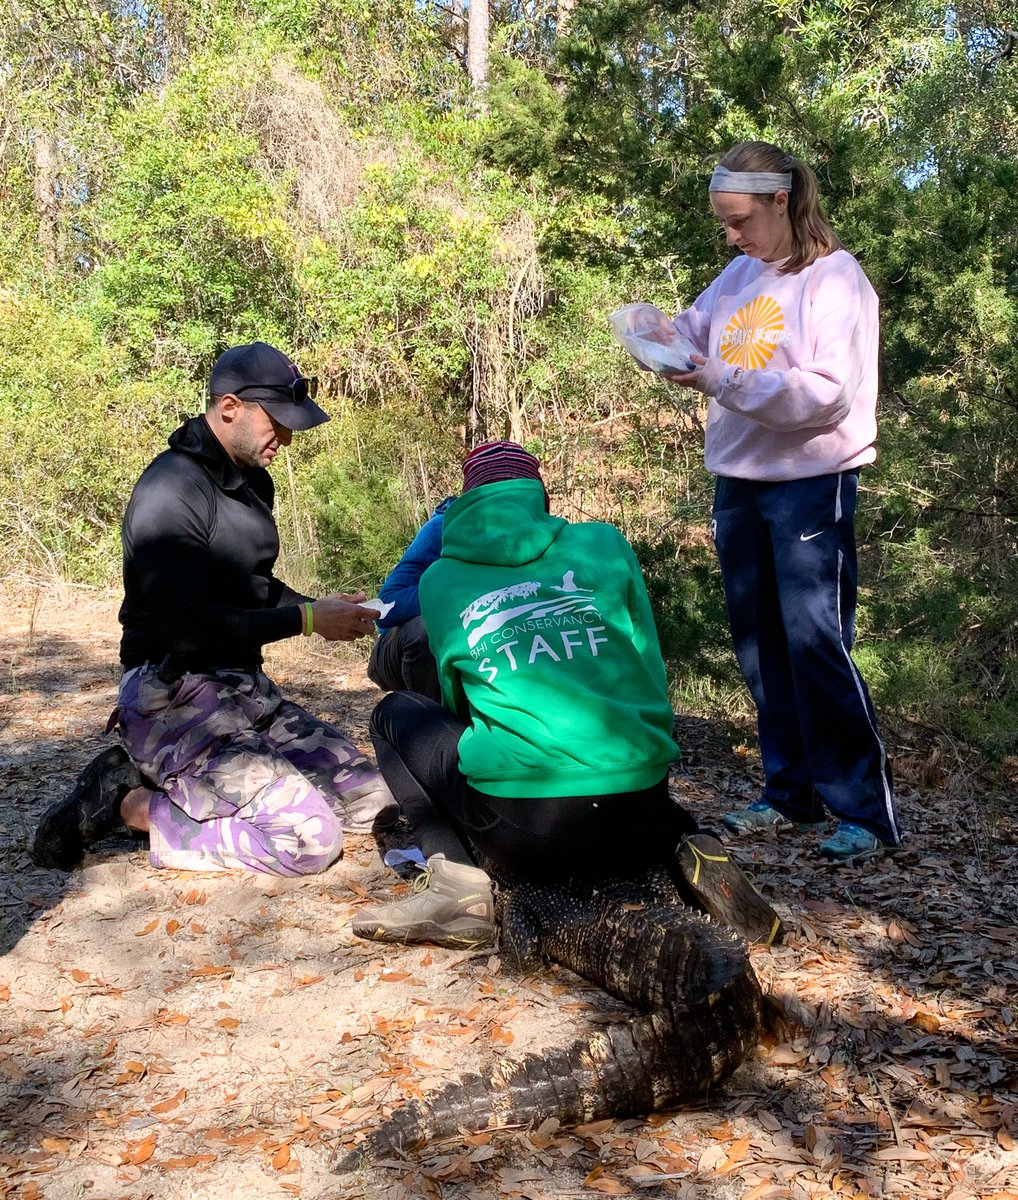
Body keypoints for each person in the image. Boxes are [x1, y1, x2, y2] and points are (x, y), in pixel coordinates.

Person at [352, 441, 782, 950]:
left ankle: (457, 889)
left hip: (528, 832)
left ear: (463, 502)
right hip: (645, 805)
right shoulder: (604, 542)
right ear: (539, 496)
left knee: (394, 715)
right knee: (624, 780)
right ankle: (682, 842)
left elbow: (454, 701)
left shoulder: (441, 577)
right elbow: (646, 657)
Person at [32, 341, 396, 875]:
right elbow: (185, 628)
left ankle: (176, 784)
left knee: (376, 803)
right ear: (230, 408)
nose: (288, 437)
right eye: (278, 420)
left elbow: (252, 587)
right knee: (309, 841)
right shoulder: (170, 490)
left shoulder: (252, 483)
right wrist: (307, 620)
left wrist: (317, 608)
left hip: (244, 691)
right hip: (175, 694)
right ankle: (124, 803)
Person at [660, 140, 902, 862]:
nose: (731, 235)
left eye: (740, 219)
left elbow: (827, 396)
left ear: (781, 200)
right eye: (724, 223)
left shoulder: (836, 281)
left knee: (816, 643)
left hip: (810, 483)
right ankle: (788, 795)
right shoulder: (738, 274)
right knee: (762, 647)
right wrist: (657, 334)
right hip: (739, 481)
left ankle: (866, 810)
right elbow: (693, 333)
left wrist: (718, 379)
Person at [366, 495, 456, 703]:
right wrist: (457, 593)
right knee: (422, 629)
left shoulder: (538, 534)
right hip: (401, 646)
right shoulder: (442, 528)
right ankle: (431, 725)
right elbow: (387, 607)